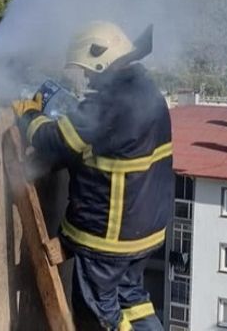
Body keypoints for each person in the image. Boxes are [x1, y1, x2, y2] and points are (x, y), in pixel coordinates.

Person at [12, 21, 173, 331]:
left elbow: (56, 141)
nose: (86, 76)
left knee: (102, 317)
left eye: (88, 70)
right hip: (147, 232)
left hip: (107, 240)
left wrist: (30, 116)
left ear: (101, 59)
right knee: (133, 299)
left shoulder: (111, 104)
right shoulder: (148, 93)